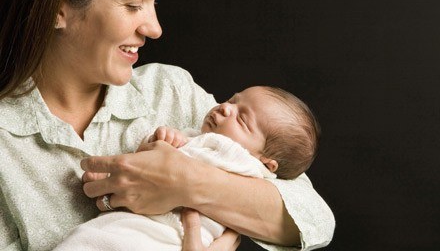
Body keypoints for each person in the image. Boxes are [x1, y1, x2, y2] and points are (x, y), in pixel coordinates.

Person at [0, 0, 335, 251]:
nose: (155, 28)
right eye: (134, 4)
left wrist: (187, 181)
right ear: (57, 6)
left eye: (155, 1)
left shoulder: (170, 92)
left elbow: (313, 219)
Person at [54, 86, 320, 250]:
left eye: (242, 119)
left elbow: (315, 220)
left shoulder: (242, 161)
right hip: (137, 226)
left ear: (266, 161)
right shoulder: (202, 137)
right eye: (232, 100)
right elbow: (160, 166)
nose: (225, 108)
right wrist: (162, 141)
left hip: (165, 237)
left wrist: (168, 150)